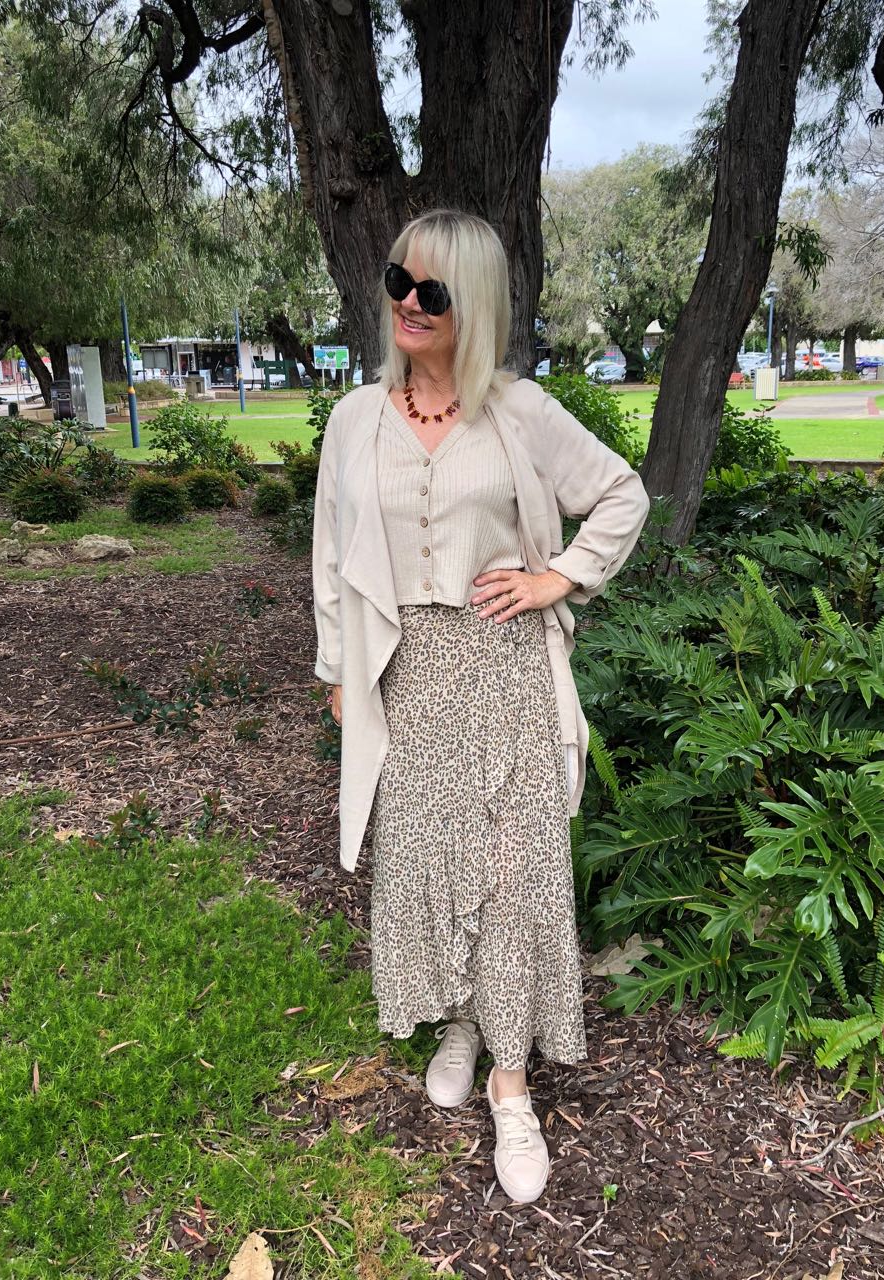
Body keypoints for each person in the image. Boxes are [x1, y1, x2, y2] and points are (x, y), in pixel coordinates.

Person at [311, 208, 650, 1204]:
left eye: (437, 291)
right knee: (430, 861)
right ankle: (463, 1020)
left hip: (501, 670)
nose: (410, 303)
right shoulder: (353, 420)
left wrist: (561, 578)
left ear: (478, 305)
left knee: (511, 874)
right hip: (405, 673)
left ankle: (512, 1087)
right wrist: (338, 666)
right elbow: (332, 557)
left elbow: (621, 493)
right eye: (399, 281)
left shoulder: (521, 412)